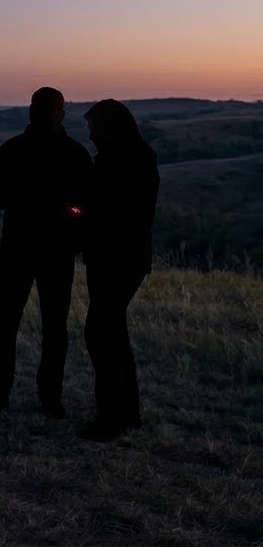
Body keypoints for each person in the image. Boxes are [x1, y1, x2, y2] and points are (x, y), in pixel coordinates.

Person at [0, 87, 92, 418]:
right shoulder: (74, 153)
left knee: (14, 324)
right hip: (48, 251)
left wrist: (27, 203)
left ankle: (4, 395)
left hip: (24, 248)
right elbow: (87, 207)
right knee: (44, 326)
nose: (42, 113)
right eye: (43, 108)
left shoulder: (15, 150)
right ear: (62, 112)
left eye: (45, 108)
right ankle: (44, 398)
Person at [79, 99, 159, 442]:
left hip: (116, 259)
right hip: (124, 258)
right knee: (114, 335)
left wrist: (78, 214)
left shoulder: (120, 163)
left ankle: (111, 419)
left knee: (101, 334)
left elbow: (108, 212)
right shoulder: (136, 158)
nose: (91, 136)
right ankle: (127, 414)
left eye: (94, 128)